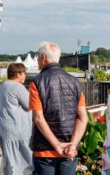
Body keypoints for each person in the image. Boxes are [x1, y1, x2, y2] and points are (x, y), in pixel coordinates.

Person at [29, 42, 88, 174]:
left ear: (44, 57)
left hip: (45, 151)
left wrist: (56, 145)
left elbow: (38, 118)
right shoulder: (75, 82)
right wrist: (73, 144)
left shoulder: (37, 82)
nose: (38, 60)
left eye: (38, 57)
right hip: (69, 150)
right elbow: (83, 118)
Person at [0, 63, 33, 175]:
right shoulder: (17, 87)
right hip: (17, 128)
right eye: (24, 73)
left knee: (10, 160)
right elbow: (30, 104)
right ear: (18, 74)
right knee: (23, 160)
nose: (25, 76)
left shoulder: (2, 86)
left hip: (4, 128)